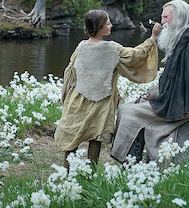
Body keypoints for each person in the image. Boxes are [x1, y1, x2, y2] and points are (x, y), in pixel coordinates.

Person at [111, 0, 189, 163]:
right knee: (132, 105)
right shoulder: (188, 37)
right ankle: (134, 160)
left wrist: (160, 95)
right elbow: (179, 81)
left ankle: (130, 164)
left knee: (128, 112)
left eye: (165, 17)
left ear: (179, 18)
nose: (162, 22)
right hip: (184, 101)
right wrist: (157, 92)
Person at [54, 9, 162, 169]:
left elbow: (70, 74)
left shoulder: (81, 46)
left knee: (73, 137)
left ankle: (66, 172)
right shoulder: (112, 48)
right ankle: (89, 173)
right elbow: (135, 55)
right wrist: (152, 38)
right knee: (96, 137)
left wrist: (65, 97)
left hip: (77, 99)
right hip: (101, 101)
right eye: (108, 23)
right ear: (99, 27)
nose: (111, 25)